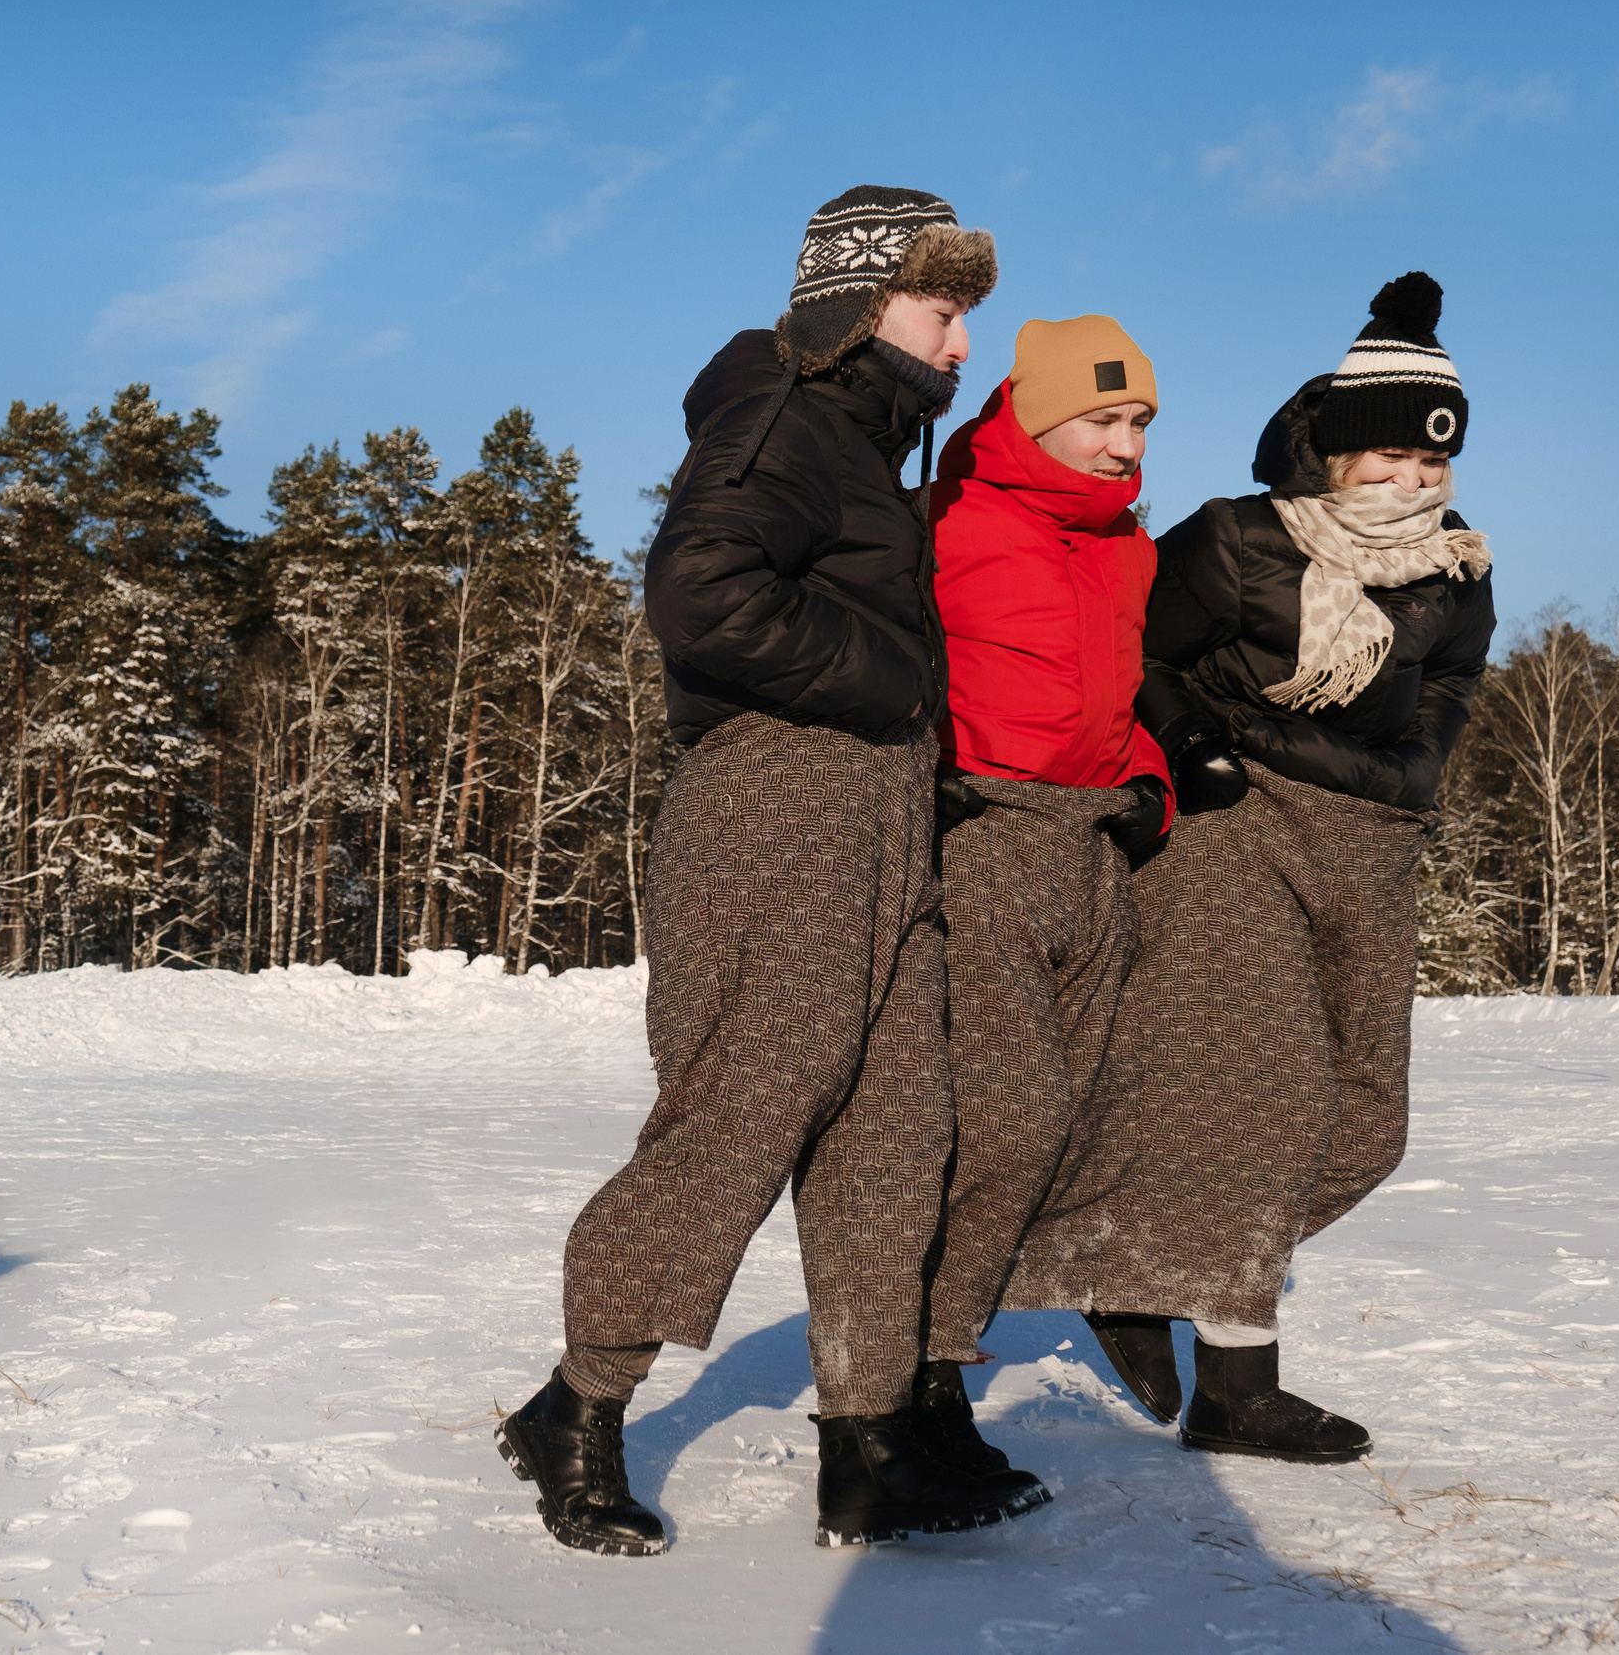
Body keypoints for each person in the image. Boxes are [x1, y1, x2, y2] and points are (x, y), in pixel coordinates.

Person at [496, 184, 1049, 1555]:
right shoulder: (782, 419)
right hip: (778, 796)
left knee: (899, 1123)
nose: (965, 346)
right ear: (863, 310)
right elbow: (700, 592)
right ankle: (577, 1401)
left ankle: (867, 1442)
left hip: (879, 808)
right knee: (747, 1107)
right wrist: (897, 679)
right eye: (944, 312)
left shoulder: (866, 450)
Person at [998, 273, 1495, 1463]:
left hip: (1372, 839)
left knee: (1367, 1120)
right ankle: (1235, 1378)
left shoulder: (1455, 566)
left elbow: (1454, 685)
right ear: (1328, 453)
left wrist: (1419, 764)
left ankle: (1135, 1271)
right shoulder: (1238, 538)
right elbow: (1133, 656)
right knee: (1261, 1101)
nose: (1410, 481)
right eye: (1384, 457)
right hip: (1235, 826)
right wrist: (1197, 745)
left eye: (1429, 464)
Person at [918, 318, 1172, 1447]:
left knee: (1070, 1114)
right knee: (1007, 1116)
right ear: (1032, 415)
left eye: (1141, 423)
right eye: (1103, 420)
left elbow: (1126, 695)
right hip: (982, 835)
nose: (1126, 445)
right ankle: (920, 1368)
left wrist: (1151, 786)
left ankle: (943, 1350)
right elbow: (894, 656)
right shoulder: (948, 518)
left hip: (1092, 849)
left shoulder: (1127, 542)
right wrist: (927, 779)